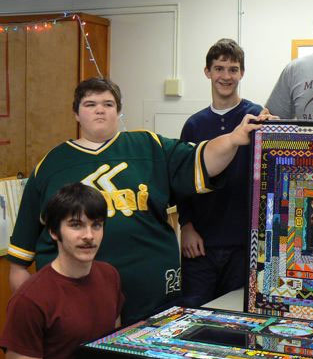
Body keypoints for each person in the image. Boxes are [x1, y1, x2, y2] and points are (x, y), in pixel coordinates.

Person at [6, 77, 267, 324]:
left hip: (155, 304)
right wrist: (40, 310)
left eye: (108, 104)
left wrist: (233, 139)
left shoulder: (148, 146)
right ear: (76, 113)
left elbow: (202, 160)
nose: (100, 111)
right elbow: (19, 262)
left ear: (118, 112)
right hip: (77, 313)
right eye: (90, 104)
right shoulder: (51, 165)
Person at [0, 183, 124, 359]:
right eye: (76, 225)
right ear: (54, 232)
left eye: (96, 225)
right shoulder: (30, 299)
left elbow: (113, 353)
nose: (88, 236)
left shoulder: (110, 276)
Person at [177, 39, 262, 307]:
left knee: (239, 316)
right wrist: (186, 226)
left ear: (242, 73)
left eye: (233, 69)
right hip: (201, 243)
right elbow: (182, 180)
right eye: (219, 68)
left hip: (245, 245)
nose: (226, 76)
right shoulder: (194, 124)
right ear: (207, 72)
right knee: (192, 314)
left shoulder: (256, 117)